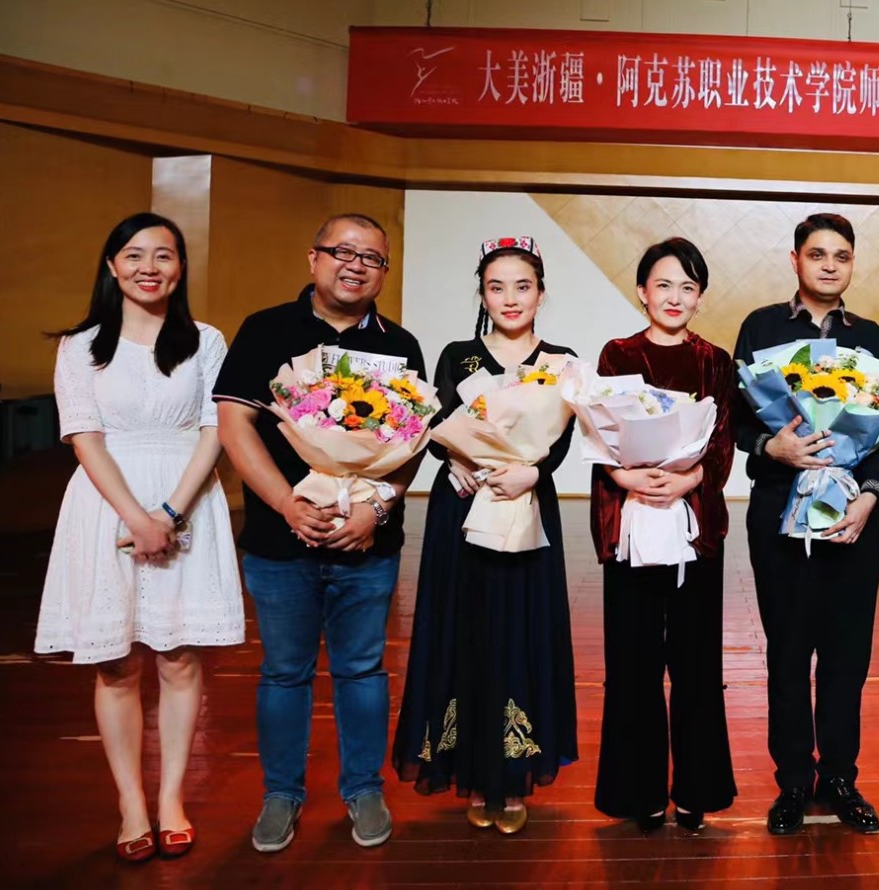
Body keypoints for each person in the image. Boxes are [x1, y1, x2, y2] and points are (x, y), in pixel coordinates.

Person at [214, 213, 427, 853]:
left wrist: (375, 511)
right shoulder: (265, 329)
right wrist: (286, 503)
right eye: (342, 251)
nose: (356, 265)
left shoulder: (400, 345)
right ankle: (281, 793)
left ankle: (363, 788)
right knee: (285, 673)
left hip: (367, 543)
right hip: (281, 540)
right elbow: (234, 426)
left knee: (363, 670)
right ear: (314, 259)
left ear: (384, 272)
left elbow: (411, 444)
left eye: (372, 258)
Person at [36, 212, 244, 863]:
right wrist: (137, 517)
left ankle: (171, 799)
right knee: (116, 663)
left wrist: (171, 513)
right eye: (134, 254)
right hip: (106, 505)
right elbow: (83, 437)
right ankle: (131, 803)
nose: (148, 267)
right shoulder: (79, 346)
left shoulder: (205, 341)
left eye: (163, 255)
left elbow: (216, 429)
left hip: (187, 499)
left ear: (180, 266)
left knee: (179, 657)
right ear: (112, 265)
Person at [391, 236, 578, 834]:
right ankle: (471, 773)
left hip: (527, 503)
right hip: (463, 505)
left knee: (520, 631)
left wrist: (534, 472)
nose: (510, 298)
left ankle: (513, 776)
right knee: (465, 630)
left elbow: (561, 439)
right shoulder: (458, 356)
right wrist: (455, 459)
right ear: (482, 295)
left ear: (541, 294)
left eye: (523, 286)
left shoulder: (561, 361)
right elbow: (436, 424)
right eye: (497, 287)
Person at [732, 212, 879, 835]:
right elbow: (737, 417)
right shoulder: (761, 327)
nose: (830, 265)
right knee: (788, 651)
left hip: (854, 516)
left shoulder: (871, 337)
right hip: (779, 511)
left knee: (847, 656)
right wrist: (769, 447)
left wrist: (870, 495)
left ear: (852, 264)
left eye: (842, 256)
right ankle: (794, 781)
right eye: (818, 254)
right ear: (795, 259)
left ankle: (841, 778)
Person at [591, 238, 736, 833]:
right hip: (631, 524)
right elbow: (601, 432)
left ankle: (697, 788)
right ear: (642, 291)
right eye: (664, 285)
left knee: (697, 665)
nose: (675, 297)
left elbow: (723, 441)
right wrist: (625, 475)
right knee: (633, 665)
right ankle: (640, 791)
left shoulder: (715, 360)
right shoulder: (617, 353)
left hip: (693, 527)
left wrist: (690, 479)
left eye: (688, 287)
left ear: (699, 297)